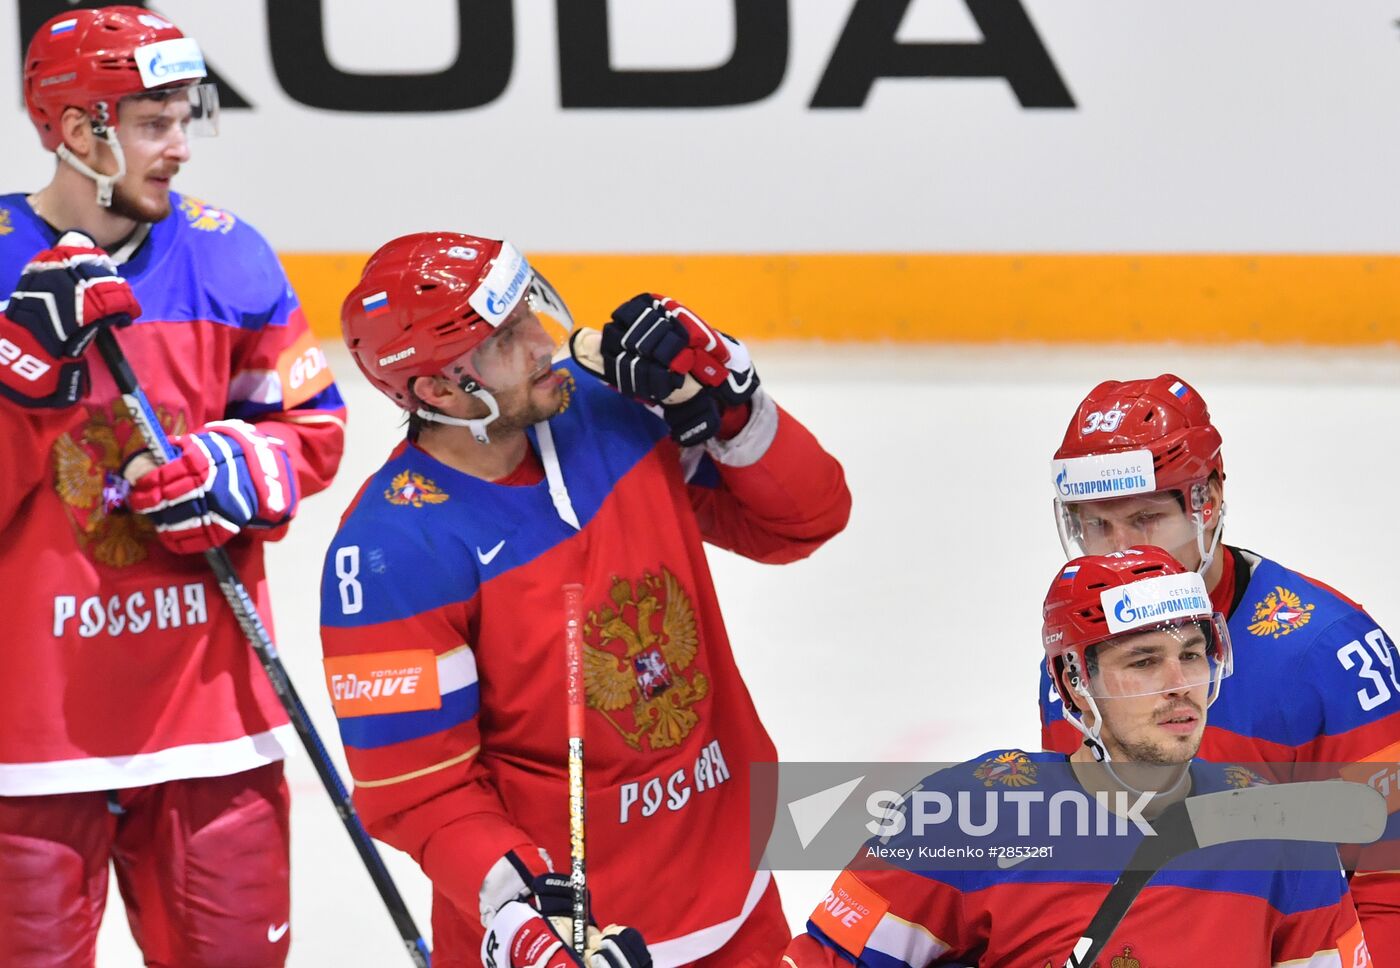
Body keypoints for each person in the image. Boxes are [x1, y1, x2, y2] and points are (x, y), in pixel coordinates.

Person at [321, 232, 851, 967]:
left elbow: (805, 520)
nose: (545, 343)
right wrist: (521, 921)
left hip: (734, 890)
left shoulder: (609, 411)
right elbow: (416, 790)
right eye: (506, 339)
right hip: (571, 935)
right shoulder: (388, 550)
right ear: (441, 390)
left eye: (530, 314)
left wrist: (737, 409)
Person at [0, 7, 346, 966]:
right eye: (154, 121)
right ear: (78, 130)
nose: (181, 147)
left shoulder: (232, 254)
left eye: (185, 117)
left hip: (210, 733)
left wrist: (235, 469)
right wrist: (18, 386)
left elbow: (311, 426)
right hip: (23, 746)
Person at [785, 548, 1371, 966]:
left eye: (1192, 655)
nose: (1180, 684)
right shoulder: (962, 813)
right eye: (1143, 662)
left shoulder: (1284, 835)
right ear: (1072, 683)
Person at [1039, 374, 1400, 959]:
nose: (1118, 550)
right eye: (1095, 525)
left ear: (1205, 502)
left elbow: (1391, 892)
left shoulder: (1329, 655)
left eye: (1145, 518)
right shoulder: (1080, 645)